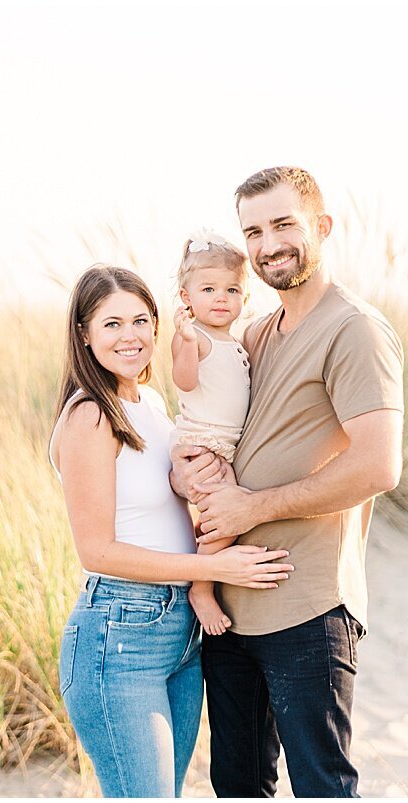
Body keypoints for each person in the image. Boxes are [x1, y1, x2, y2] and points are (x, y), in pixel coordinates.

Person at [171, 167, 404, 798]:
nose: (268, 243)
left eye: (283, 224)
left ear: (322, 227)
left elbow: (379, 466)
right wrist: (185, 467)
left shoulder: (353, 328)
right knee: (239, 787)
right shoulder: (252, 335)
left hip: (306, 605)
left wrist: (251, 507)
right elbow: (209, 417)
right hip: (231, 609)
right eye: (253, 230)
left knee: (322, 787)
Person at [49, 264, 295, 798]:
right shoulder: (90, 416)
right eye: (111, 324)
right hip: (120, 633)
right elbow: (98, 551)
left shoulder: (153, 405)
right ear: (83, 334)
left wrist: (186, 483)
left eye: (140, 320)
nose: (130, 336)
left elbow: (161, 502)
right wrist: (212, 569)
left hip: (181, 634)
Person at [169, 229, 253, 637]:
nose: (221, 298)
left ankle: (204, 567)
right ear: (187, 299)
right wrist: (184, 341)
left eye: (232, 289)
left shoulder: (234, 341)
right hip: (203, 448)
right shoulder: (196, 338)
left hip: (222, 449)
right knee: (229, 518)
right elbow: (184, 382)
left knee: (219, 519)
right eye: (209, 289)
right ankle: (201, 588)